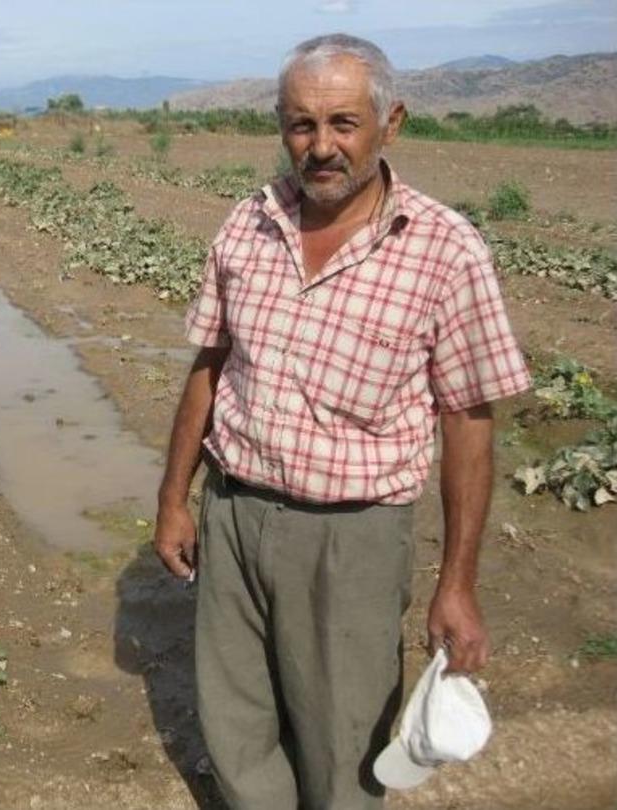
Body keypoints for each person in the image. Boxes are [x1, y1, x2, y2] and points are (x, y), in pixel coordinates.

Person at [153, 33, 530, 810]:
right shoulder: (249, 224)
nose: (321, 146)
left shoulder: (445, 251)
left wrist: (457, 583)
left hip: (352, 539)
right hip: (234, 512)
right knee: (236, 721)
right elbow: (209, 365)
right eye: (301, 124)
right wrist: (173, 499)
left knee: (345, 743)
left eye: (342, 123)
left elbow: (468, 423)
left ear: (390, 123)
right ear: (281, 126)